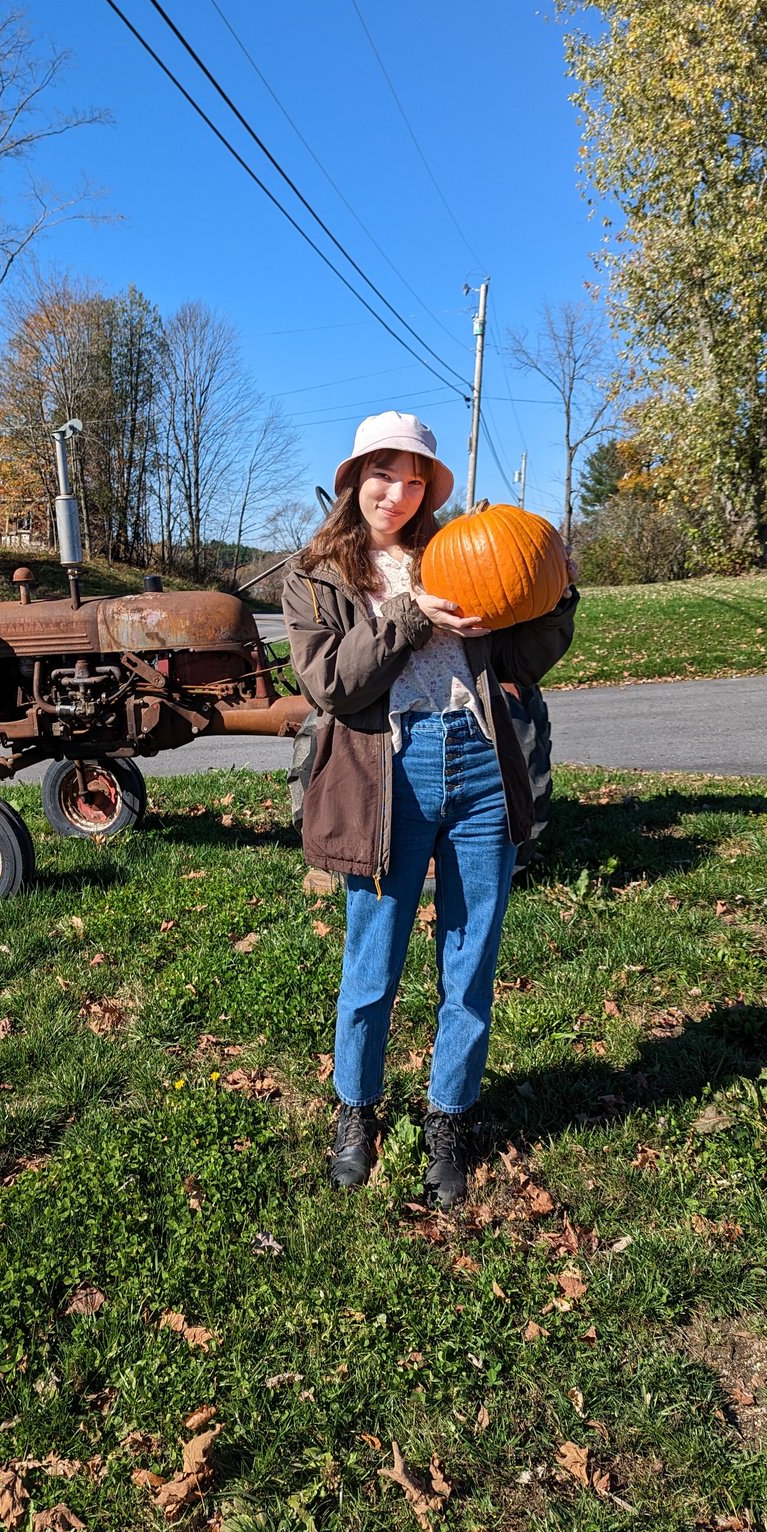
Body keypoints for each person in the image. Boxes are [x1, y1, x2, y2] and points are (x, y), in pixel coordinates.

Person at [282, 411, 578, 1207]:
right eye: (384, 474)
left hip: (481, 762)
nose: (399, 492)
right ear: (354, 480)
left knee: (470, 961)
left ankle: (448, 1119)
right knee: (371, 963)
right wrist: (411, 615)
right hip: (390, 773)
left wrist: (552, 597)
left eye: (415, 479)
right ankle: (356, 1113)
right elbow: (335, 685)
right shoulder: (316, 576)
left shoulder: (458, 554)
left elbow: (521, 659)